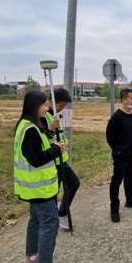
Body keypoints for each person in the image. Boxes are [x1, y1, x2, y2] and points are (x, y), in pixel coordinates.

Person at [13, 90, 71, 263]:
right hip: (40, 188)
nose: (47, 108)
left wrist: (50, 132)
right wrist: (56, 149)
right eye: (44, 105)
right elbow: (36, 159)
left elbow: (38, 144)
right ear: (34, 106)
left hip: (32, 187)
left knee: (36, 220)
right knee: (50, 224)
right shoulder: (30, 130)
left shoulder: (27, 125)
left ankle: (32, 256)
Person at [42, 88, 80, 230]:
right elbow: (42, 138)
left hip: (60, 160)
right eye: (61, 106)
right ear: (51, 101)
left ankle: (60, 213)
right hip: (51, 160)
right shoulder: (43, 116)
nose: (62, 109)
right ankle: (53, 218)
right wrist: (50, 130)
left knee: (73, 183)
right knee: (55, 190)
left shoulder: (54, 115)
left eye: (64, 106)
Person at [106, 88, 132, 223]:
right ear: (123, 100)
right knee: (116, 181)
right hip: (121, 155)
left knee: (130, 178)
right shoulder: (116, 117)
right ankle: (114, 208)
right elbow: (110, 137)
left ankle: (130, 200)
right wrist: (118, 150)